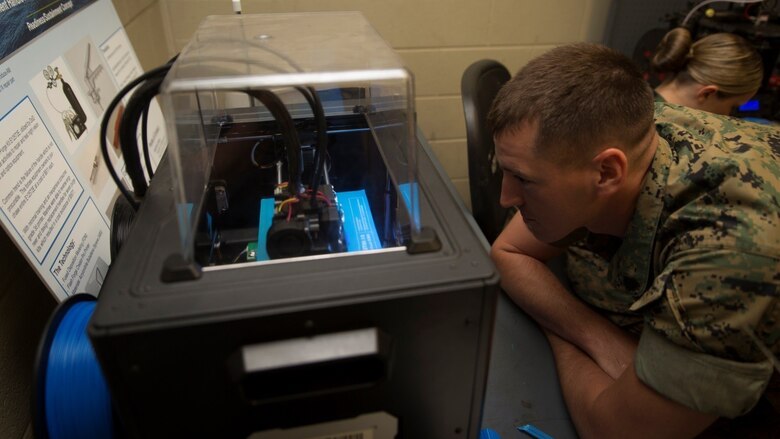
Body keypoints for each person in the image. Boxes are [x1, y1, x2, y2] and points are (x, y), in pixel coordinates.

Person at [488, 42, 779, 437]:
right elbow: (509, 251)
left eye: (523, 179)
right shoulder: (620, 124)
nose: (507, 197)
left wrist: (553, 330)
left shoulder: (728, 251)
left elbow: (617, 432)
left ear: (607, 172)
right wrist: (596, 337)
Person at [652, 27, 763, 116]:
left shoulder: (642, 105)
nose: (729, 116)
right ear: (706, 93)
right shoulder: (661, 134)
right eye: (733, 107)